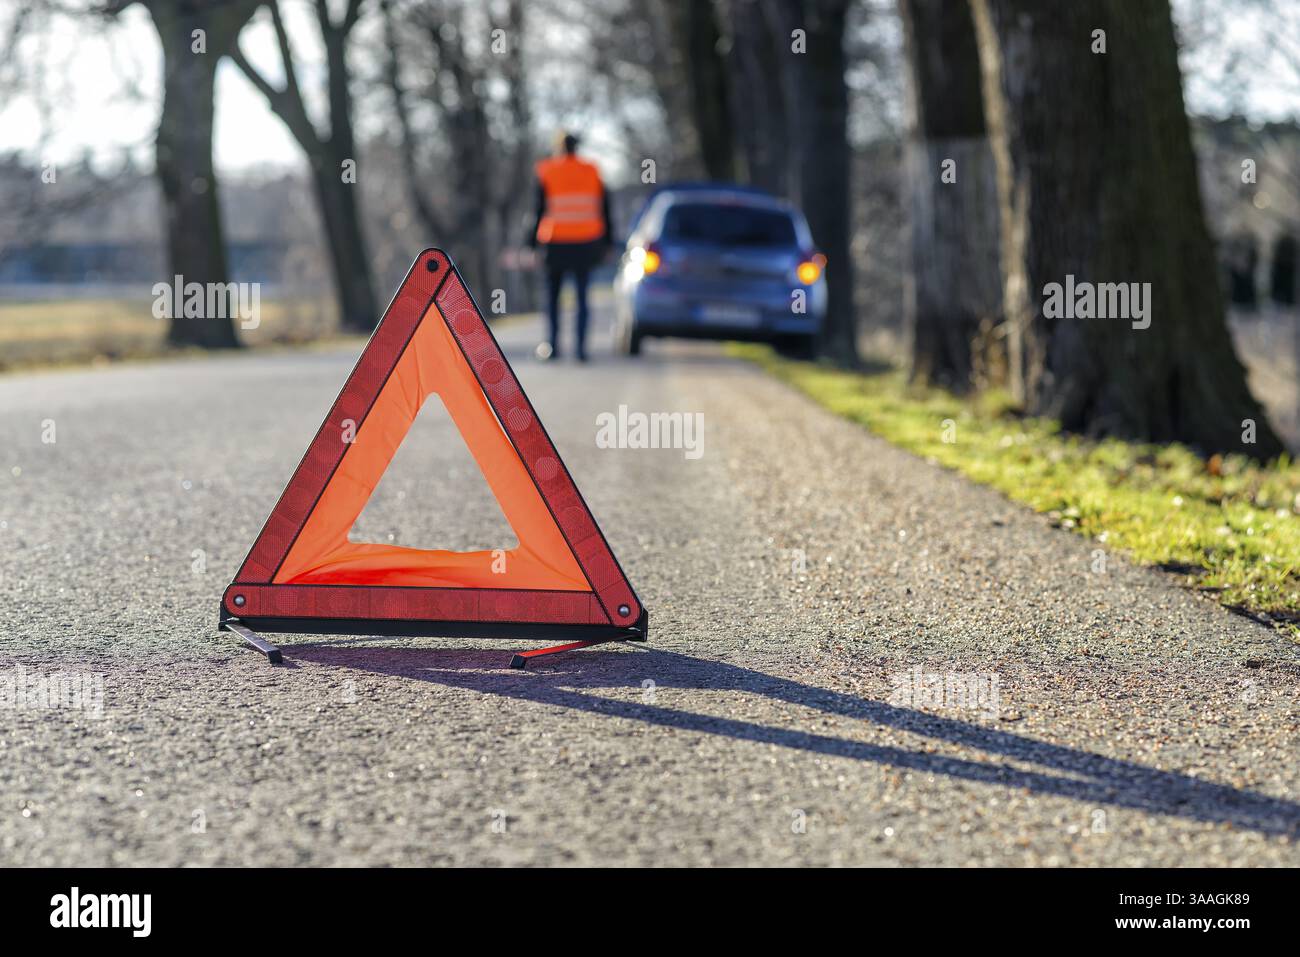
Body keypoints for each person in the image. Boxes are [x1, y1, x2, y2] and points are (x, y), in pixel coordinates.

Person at [529, 132, 613, 362]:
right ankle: (581, 349)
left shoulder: (547, 170)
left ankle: (553, 346)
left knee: (553, 298)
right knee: (582, 297)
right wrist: (608, 241)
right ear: (577, 147)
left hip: (555, 242)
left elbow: (538, 210)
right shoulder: (592, 170)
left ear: (559, 147)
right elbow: (605, 208)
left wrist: (531, 244)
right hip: (586, 241)